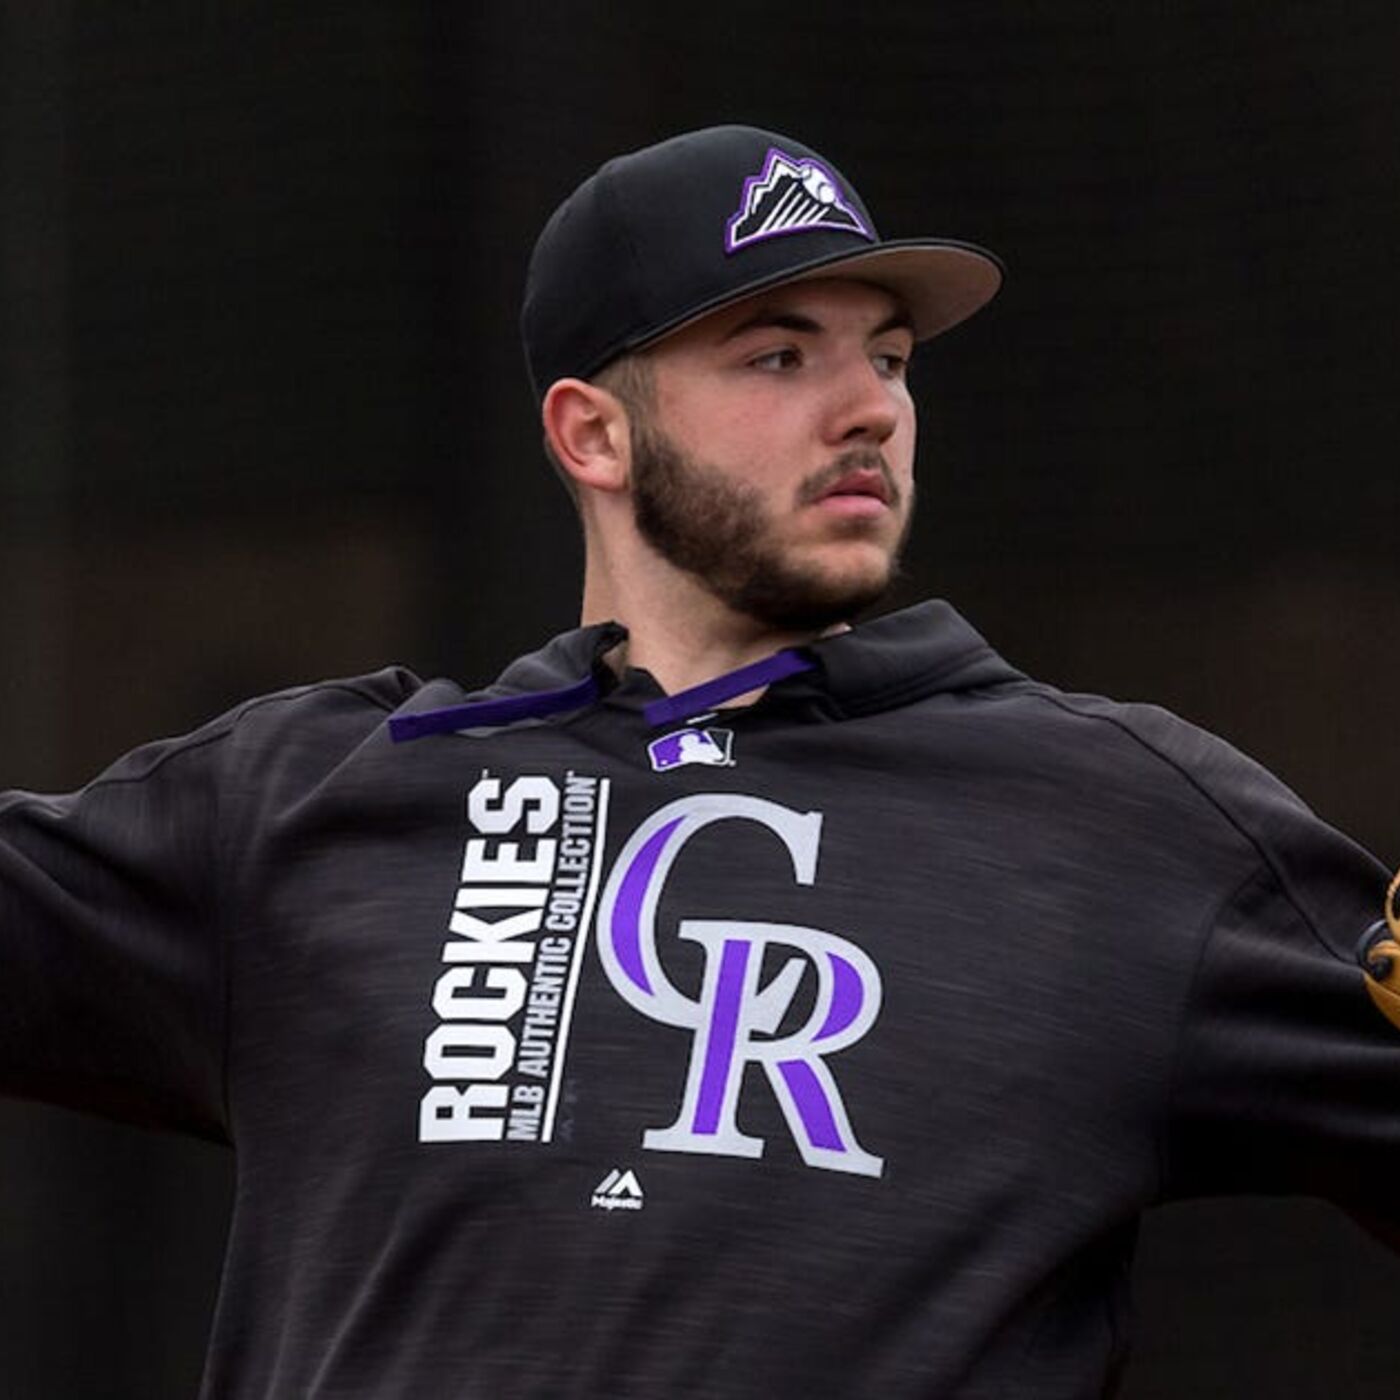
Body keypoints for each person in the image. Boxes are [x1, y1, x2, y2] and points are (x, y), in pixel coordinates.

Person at [2, 123, 1398, 1398]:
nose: (870, 410)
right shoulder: (313, 795)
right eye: (780, 354)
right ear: (593, 434)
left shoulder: (1130, 820)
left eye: (891, 358)